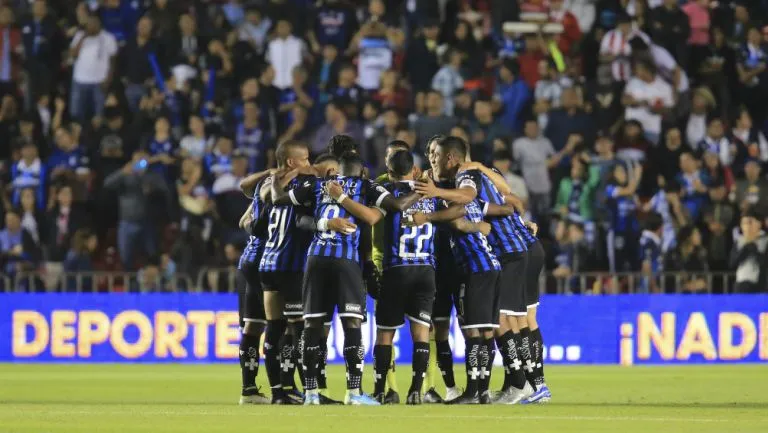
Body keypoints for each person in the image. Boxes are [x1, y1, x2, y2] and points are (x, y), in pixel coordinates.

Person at [327, 149, 486, 405]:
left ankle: (380, 390)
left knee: (385, 334)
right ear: (414, 169)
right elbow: (460, 211)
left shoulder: (387, 194)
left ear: (389, 171)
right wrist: (432, 217)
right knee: (421, 333)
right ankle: (415, 391)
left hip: (395, 270)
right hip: (425, 270)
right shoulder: (428, 192)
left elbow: (369, 218)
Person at [270, 151, 417, 406]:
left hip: (315, 260)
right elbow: (396, 206)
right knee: (352, 325)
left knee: (312, 327)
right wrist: (427, 191)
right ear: (360, 172)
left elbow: (283, 203)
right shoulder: (366, 185)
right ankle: (353, 392)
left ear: (337, 170)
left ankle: (312, 393)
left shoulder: (316, 185)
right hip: (346, 261)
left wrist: (275, 180)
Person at [412, 136, 504, 404]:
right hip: (465, 266)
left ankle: (476, 390)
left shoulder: (464, 182)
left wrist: (430, 214)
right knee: (473, 330)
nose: (432, 157)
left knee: (474, 330)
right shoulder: (433, 185)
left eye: (436, 152)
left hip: (471, 267)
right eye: (428, 152)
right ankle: (470, 389)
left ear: (449, 157)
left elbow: (468, 213)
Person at [730, 209, 768, 293]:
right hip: (741, 284)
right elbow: (732, 263)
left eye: (750, 222)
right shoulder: (739, 241)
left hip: (761, 285)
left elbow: (765, 262)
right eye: (744, 223)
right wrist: (747, 247)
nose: (747, 226)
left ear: (758, 224)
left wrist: (754, 248)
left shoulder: (765, 240)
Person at [639, 212, 664, 293]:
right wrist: (653, 287)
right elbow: (646, 265)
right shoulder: (650, 243)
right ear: (660, 227)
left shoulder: (647, 240)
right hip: (648, 291)